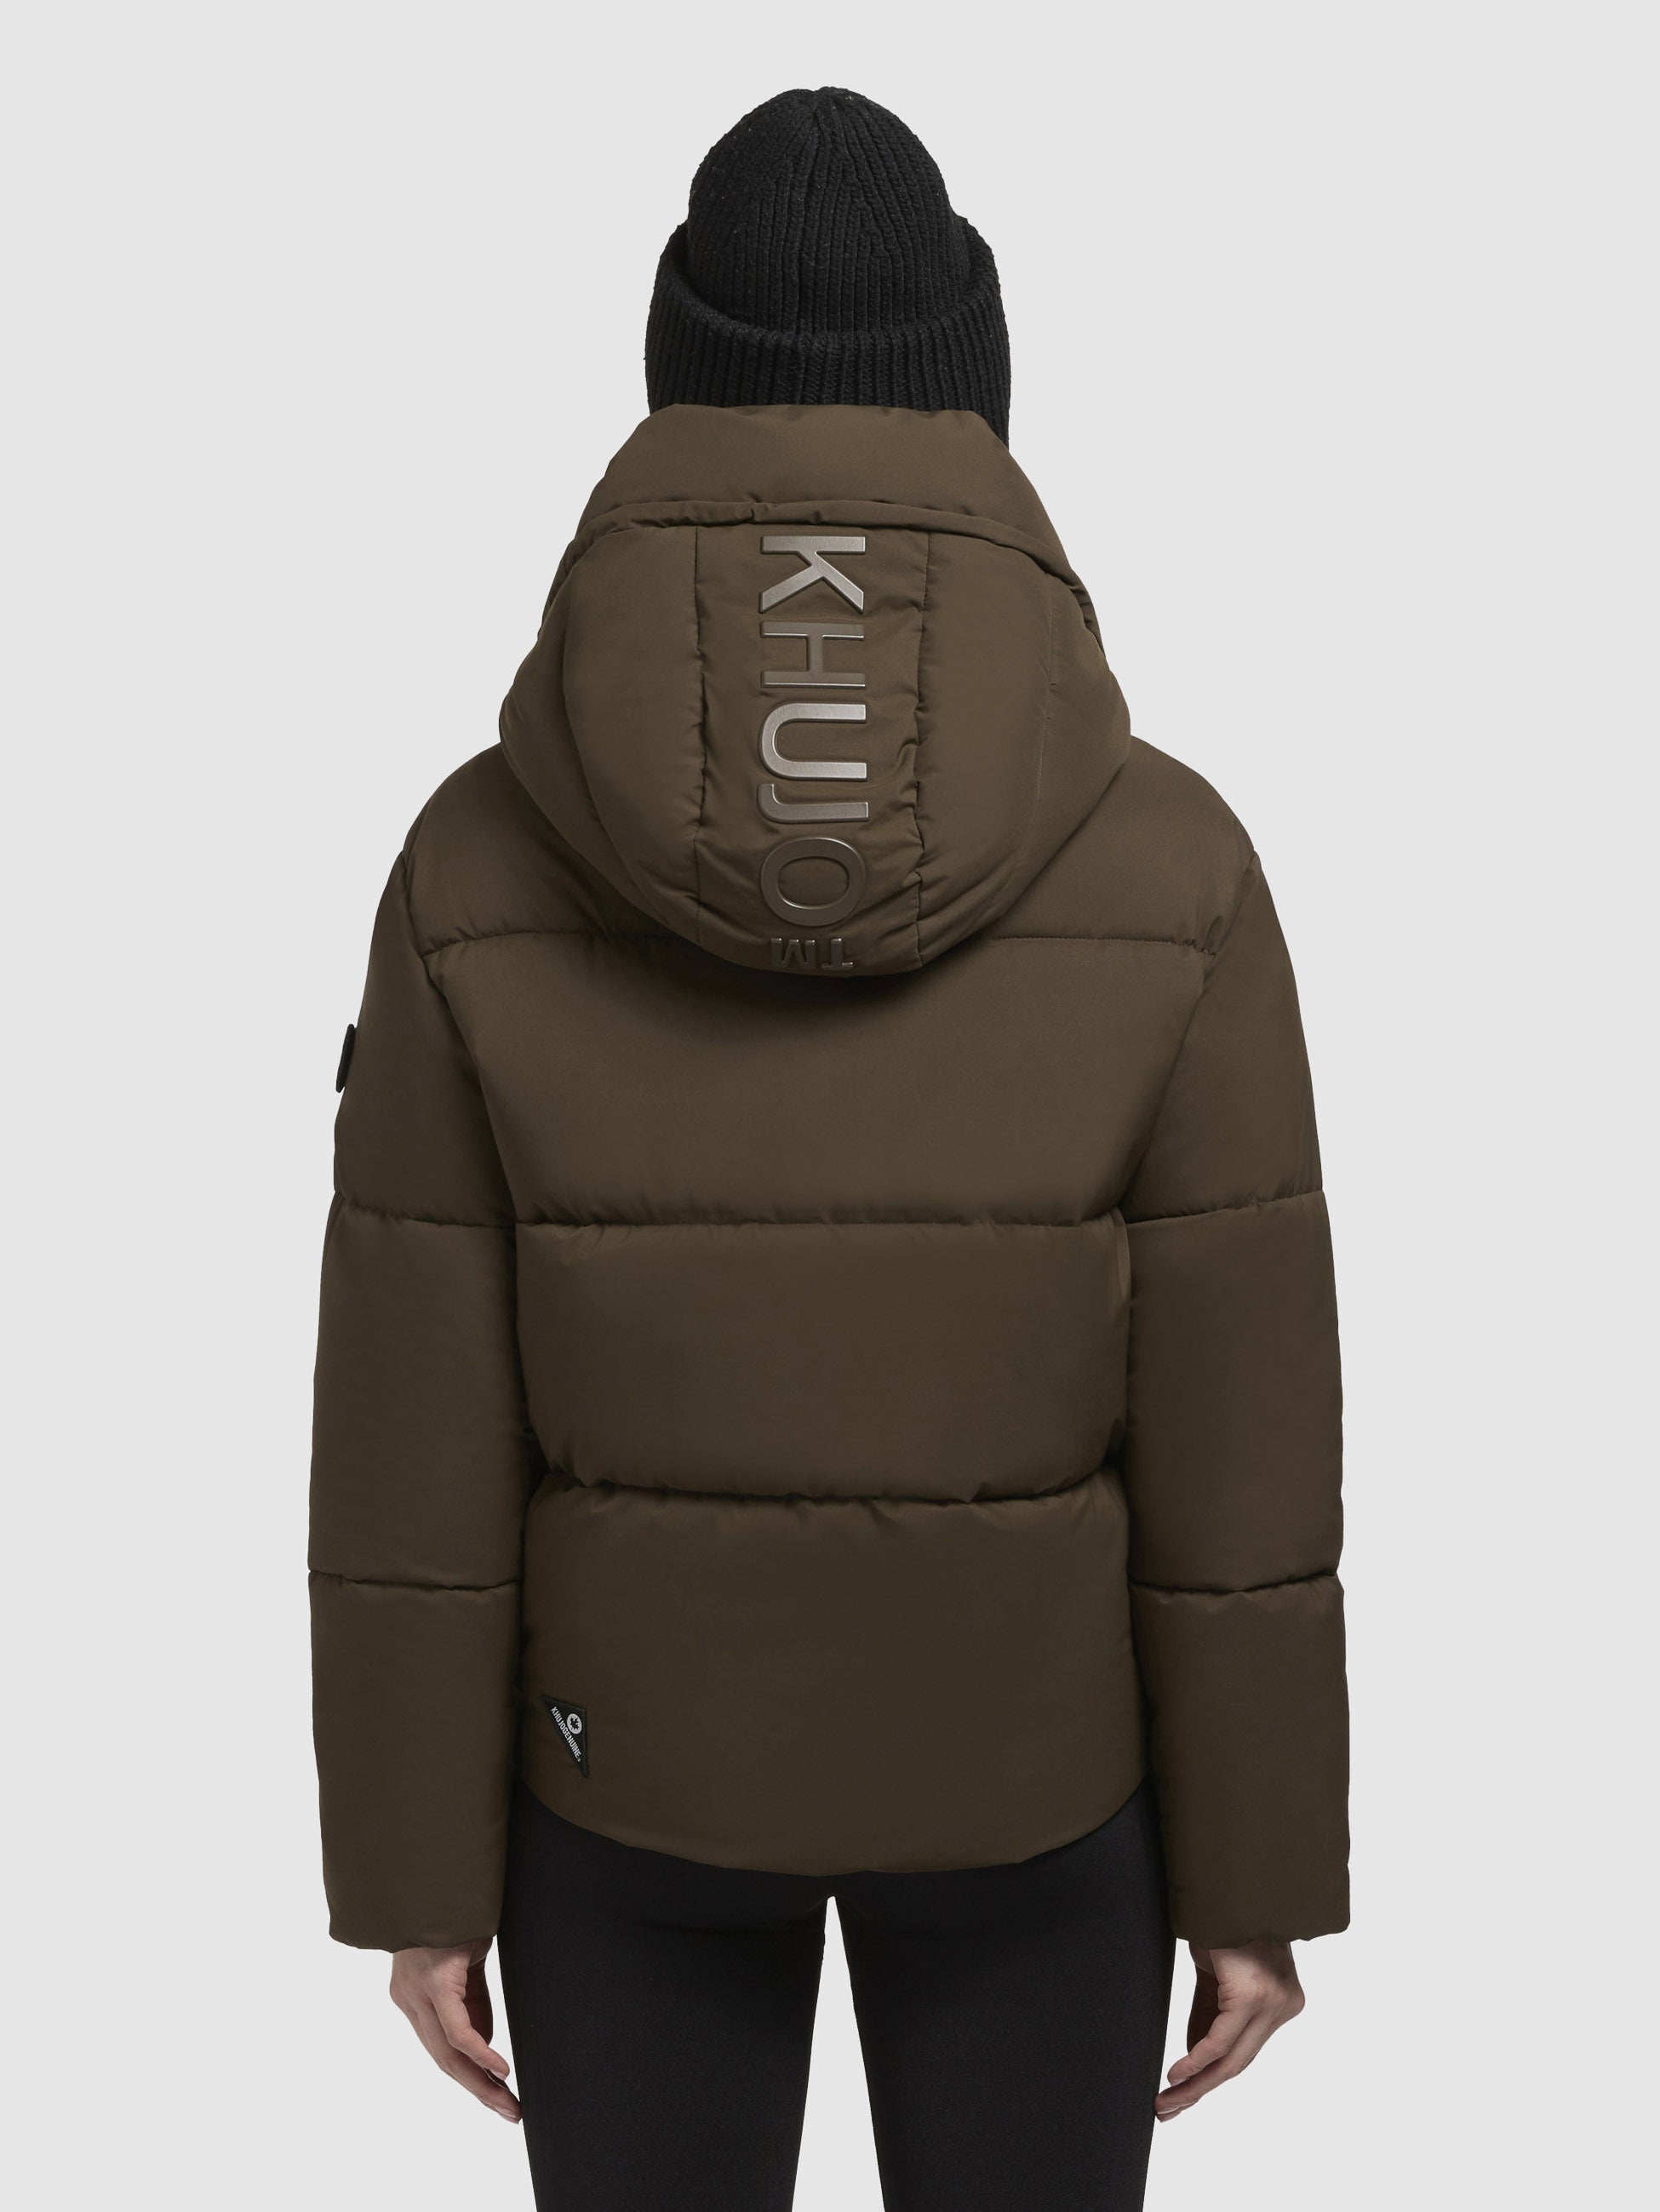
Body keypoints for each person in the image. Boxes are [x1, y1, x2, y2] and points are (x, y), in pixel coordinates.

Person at [310, 85, 1347, 2212]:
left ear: (676, 392)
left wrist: (414, 1869)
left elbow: (411, 1423)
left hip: (621, 1779)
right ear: (977, 393)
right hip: (1046, 1781)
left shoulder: (472, 858)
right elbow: (1241, 1431)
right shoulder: (1175, 859)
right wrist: (1257, 1868)